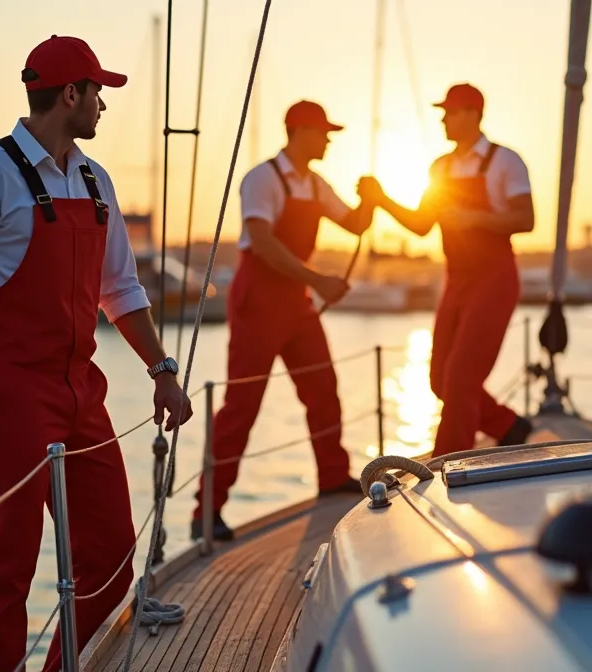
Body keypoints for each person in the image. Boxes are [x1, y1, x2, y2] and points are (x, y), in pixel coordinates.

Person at [0, 35, 194, 671]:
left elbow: (120, 289)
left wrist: (162, 371)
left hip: (80, 392)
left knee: (110, 558)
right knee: (2, 570)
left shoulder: (97, 182)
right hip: (6, 390)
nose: (102, 104)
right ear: (70, 94)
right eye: (97, 91)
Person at [191, 100, 372, 541]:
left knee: (322, 387)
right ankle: (206, 513)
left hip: (295, 300)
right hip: (259, 297)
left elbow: (353, 224)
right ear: (299, 131)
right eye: (323, 131)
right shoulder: (262, 180)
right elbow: (265, 243)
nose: (328, 138)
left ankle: (332, 474)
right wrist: (318, 280)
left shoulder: (314, 183)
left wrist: (371, 199)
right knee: (243, 405)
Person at [358, 83, 534, 457]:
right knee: (439, 379)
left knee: (460, 380)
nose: (443, 119)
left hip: (494, 278)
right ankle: (508, 426)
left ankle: (447, 464)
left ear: (473, 114)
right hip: (456, 280)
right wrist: (382, 199)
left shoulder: (506, 161)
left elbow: (526, 218)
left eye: (450, 112)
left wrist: (472, 216)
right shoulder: (439, 167)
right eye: (443, 112)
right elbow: (422, 224)